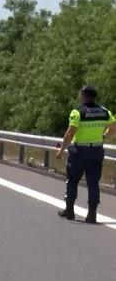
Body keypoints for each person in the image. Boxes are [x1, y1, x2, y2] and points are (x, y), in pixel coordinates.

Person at [56, 86, 115, 223]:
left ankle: (69, 210)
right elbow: (114, 128)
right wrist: (103, 137)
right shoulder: (104, 112)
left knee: (72, 180)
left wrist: (61, 150)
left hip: (79, 152)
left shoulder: (78, 112)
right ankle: (92, 214)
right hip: (96, 151)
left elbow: (70, 133)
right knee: (93, 182)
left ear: (83, 95)